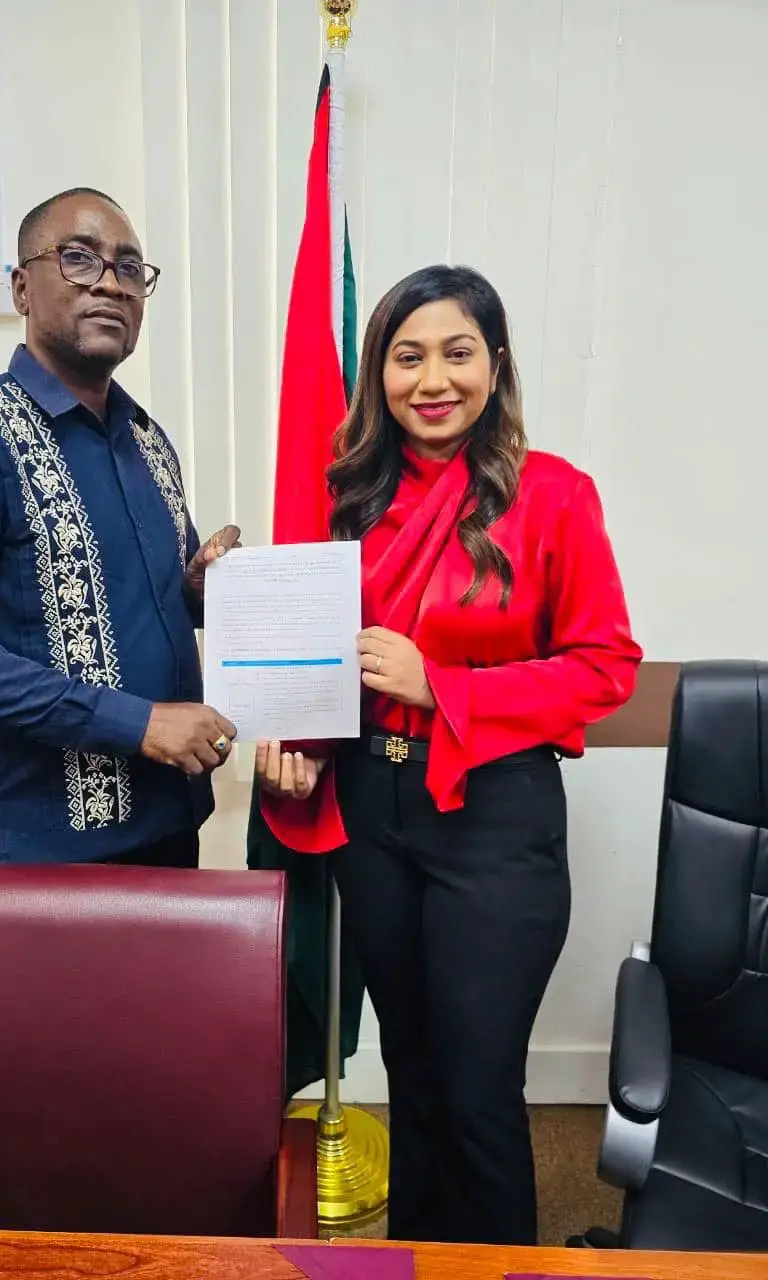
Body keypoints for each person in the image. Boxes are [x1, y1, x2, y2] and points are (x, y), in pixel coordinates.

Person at [255, 264, 642, 1245]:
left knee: (476, 1087)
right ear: (379, 371)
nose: (433, 378)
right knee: (413, 1071)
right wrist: (288, 733)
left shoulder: (553, 495)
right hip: (373, 813)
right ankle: (418, 1261)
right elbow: (314, 656)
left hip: (494, 817)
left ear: (495, 362)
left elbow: (607, 667)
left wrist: (446, 686)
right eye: (408, 354)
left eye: (457, 352)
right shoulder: (347, 500)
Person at [0, 186, 239, 866]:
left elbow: (146, 601)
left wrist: (198, 589)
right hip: (44, 848)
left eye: (130, 268)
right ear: (22, 289)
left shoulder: (148, 441)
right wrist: (137, 724)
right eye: (79, 259)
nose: (110, 283)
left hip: (172, 819)